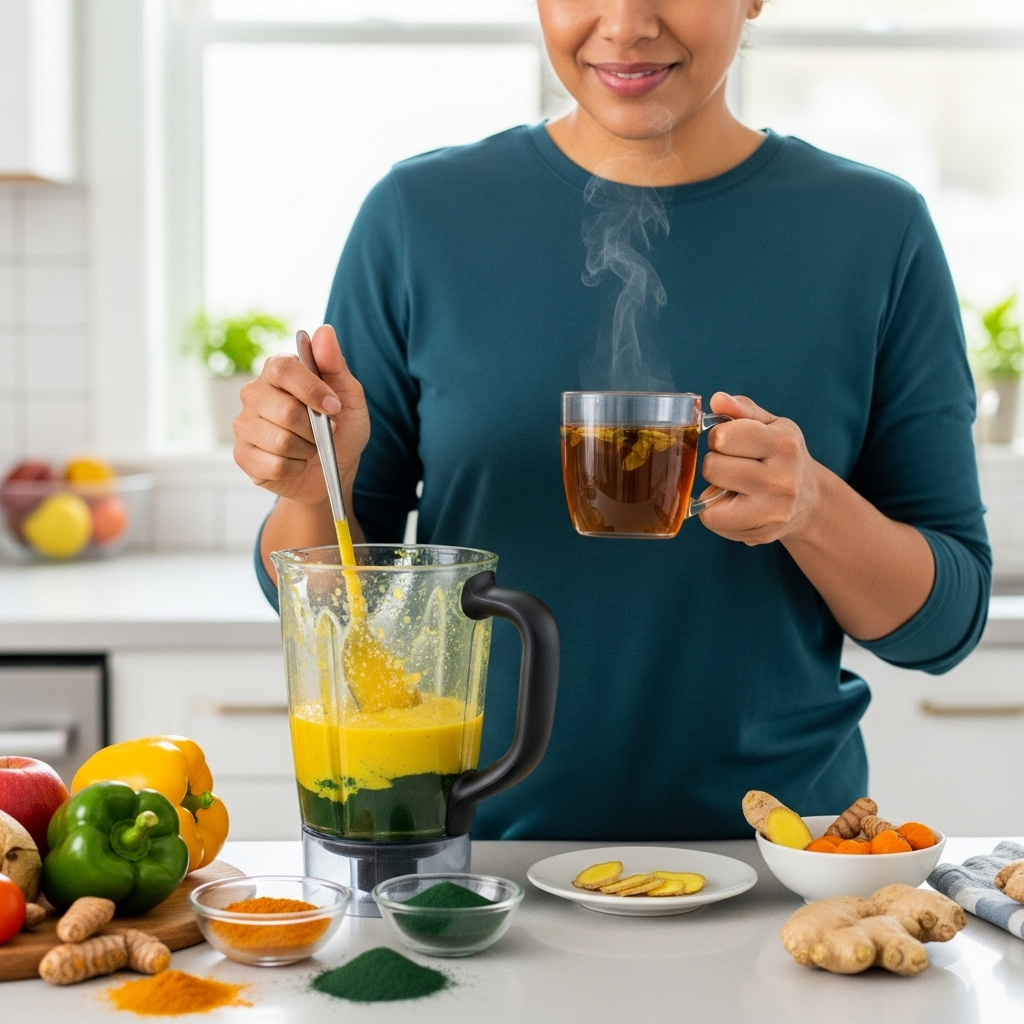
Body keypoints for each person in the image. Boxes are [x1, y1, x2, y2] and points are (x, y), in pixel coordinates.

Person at [233, 0, 990, 839]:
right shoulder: (418, 217)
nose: (625, 24)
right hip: (473, 866)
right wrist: (310, 491)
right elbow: (325, 600)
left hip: (783, 864)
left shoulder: (875, 229)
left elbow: (943, 624)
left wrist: (810, 509)